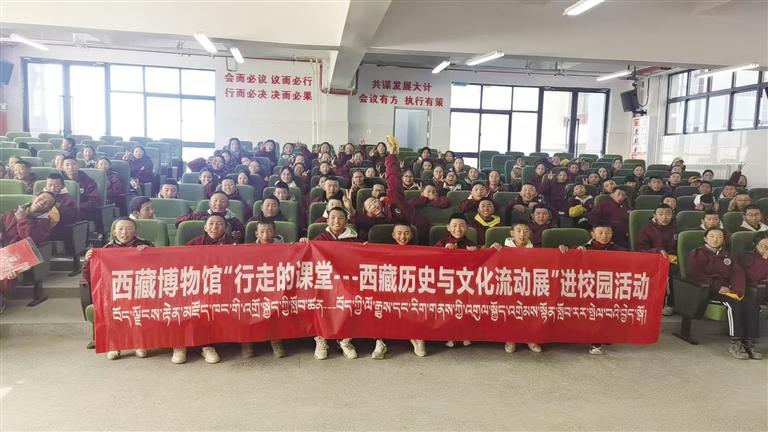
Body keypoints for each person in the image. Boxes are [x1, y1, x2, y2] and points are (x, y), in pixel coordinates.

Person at [82, 218, 153, 360]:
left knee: (138, 313)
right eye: (120, 229)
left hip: (139, 290)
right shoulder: (105, 250)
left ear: (135, 231)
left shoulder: (146, 245)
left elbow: (160, 265)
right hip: (115, 292)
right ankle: (115, 345)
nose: (124, 232)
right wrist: (88, 260)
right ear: (114, 232)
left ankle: (139, 343)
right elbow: (90, 275)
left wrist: (149, 253)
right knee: (113, 311)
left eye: (128, 228)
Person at [687, 228, 760, 360]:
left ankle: (750, 341)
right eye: (712, 236)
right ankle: (736, 342)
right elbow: (696, 275)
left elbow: (738, 273)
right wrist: (718, 287)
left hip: (729, 290)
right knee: (733, 304)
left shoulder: (728, 255)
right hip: (709, 291)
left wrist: (737, 290)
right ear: (705, 238)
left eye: (719, 237)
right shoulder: (697, 254)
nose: (716, 239)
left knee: (750, 301)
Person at [174, 213, 232, 364]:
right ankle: (180, 344)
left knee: (210, 307)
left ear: (226, 228)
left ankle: (207, 345)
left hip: (219, 286)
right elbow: (178, 262)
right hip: (194, 284)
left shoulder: (233, 245)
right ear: (205, 227)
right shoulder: (194, 243)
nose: (214, 227)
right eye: (211, 224)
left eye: (219, 224)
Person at [303, 207, 359, 360]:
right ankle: (321, 338)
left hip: (347, 283)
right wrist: (303, 245)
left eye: (340, 218)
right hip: (325, 282)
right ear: (327, 220)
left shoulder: (355, 239)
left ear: (346, 221)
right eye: (333, 217)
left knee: (351, 302)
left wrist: (366, 249)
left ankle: (345, 340)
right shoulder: (320, 239)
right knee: (318, 301)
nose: (336, 221)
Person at [354, 142, 432, 245]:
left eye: (373, 201)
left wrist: (391, 157)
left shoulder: (394, 200)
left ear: (380, 200)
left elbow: (393, 179)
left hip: (415, 241)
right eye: (369, 206)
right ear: (367, 212)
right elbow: (360, 231)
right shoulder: (369, 222)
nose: (373, 205)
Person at [488, 221, 544, 354]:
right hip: (507, 287)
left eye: (525, 231)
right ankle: (510, 338)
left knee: (531, 310)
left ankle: (530, 339)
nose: (522, 234)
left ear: (530, 233)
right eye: (518, 231)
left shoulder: (538, 250)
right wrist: (490, 249)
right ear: (512, 233)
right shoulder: (501, 248)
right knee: (509, 310)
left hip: (529, 287)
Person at [575, 223, 626, 355]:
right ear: (593, 234)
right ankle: (593, 341)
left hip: (609, 287)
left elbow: (637, 258)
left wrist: (657, 253)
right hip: (588, 287)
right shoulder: (584, 248)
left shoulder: (618, 249)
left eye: (608, 232)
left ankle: (599, 339)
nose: (604, 236)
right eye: (600, 233)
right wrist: (570, 250)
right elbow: (568, 260)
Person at [240, 220, 287, 358]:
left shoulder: (284, 248)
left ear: (275, 232)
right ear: (256, 234)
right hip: (253, 286)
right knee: (244, 303)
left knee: (276, 303)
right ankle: (247, 340)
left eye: (269, 231)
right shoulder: (247, 249)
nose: (265, 235)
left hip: (275, 286)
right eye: (262, 232)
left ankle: (276, 340)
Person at [434, 213, 477, 348]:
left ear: (467, 227)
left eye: (462, 226)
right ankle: (449, 334)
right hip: (445, 282)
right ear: (448, 227)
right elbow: (431, 261)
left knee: (466, 304)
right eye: (454, 225)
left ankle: (464, 333)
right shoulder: (442, 243)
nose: (458, 229)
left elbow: (478, 266)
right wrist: (443, 251)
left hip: (464, 283)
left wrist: (475, 254)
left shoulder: (471, 244)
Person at [391, 223, 427, 357]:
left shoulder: (419, 251)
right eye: (399, 233)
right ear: (393, 235)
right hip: (391, 288)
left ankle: (419, 337)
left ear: (411, 235)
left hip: (412, 288)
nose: (402, 237)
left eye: (406, 233)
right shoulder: (384, 250)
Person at [175, 192, 245, 243]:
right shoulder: (200, 215)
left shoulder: (234, 221)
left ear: (227, 205)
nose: (218, 204)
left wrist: (238, 236)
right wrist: (203, 219)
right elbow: (178, 221)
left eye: (222, 201)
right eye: (215, 201)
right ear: (209, 203)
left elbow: (243, 236)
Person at [740, 232, 768, 305]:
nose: (765, 248)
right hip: (760, 288)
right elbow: (755, 277)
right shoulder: (748, 257)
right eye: (762, 245)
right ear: (756, 245)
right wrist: (764, 259)